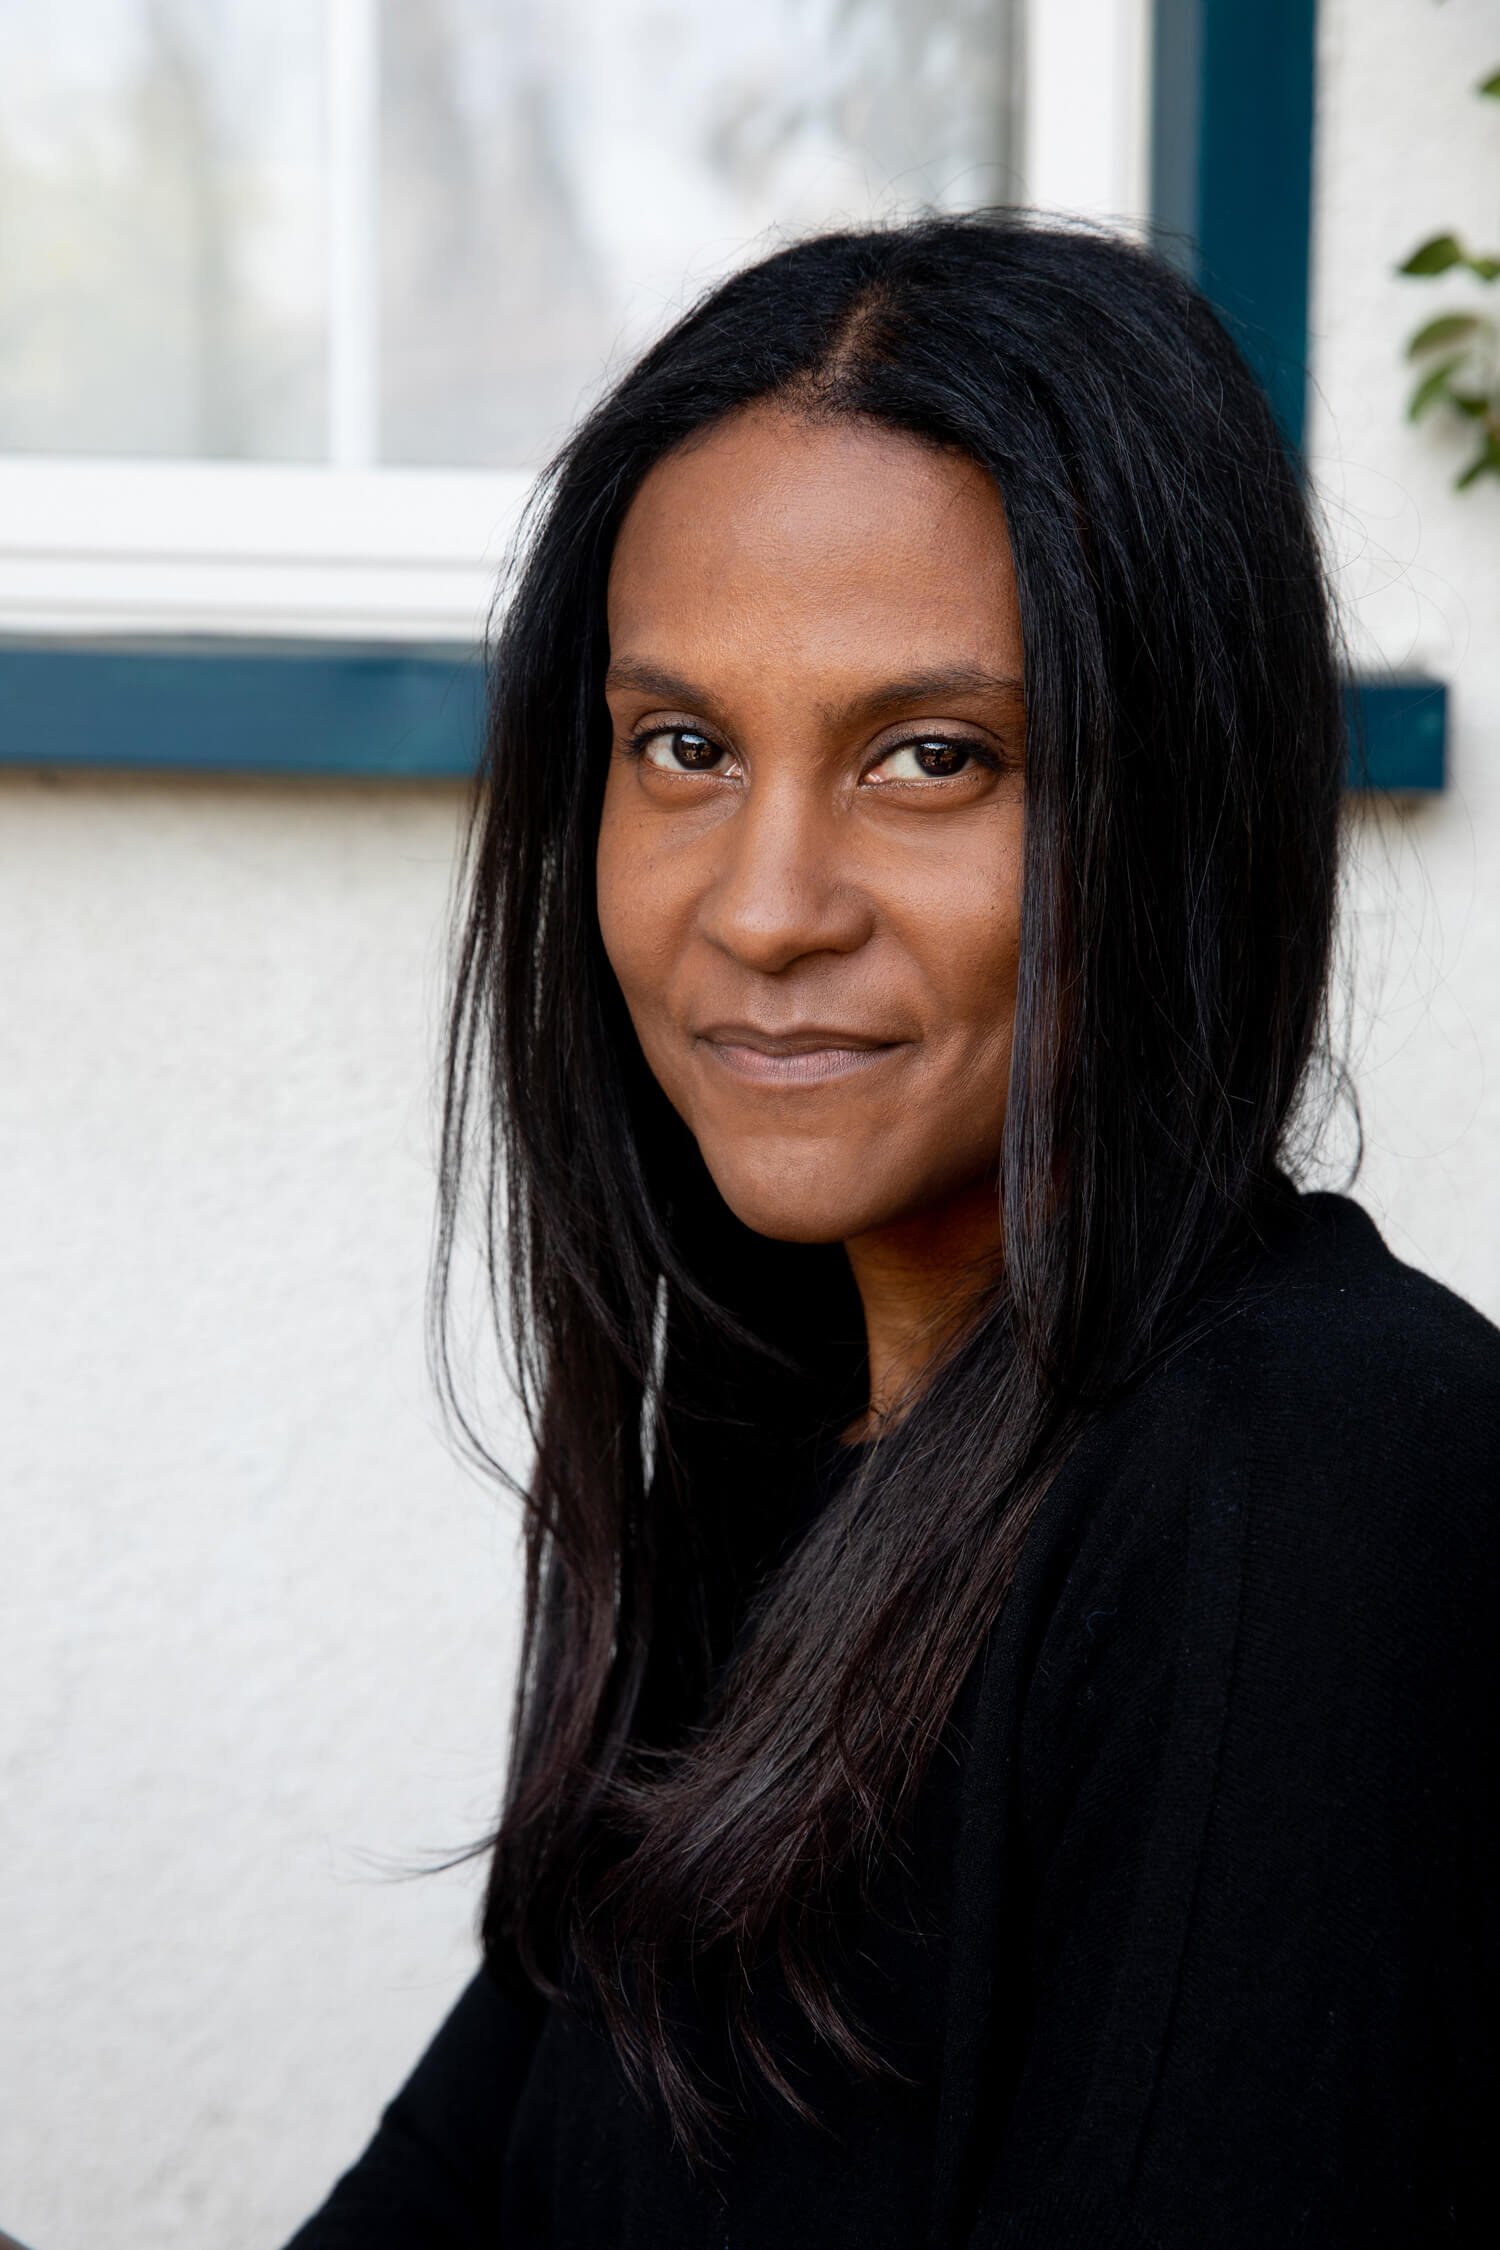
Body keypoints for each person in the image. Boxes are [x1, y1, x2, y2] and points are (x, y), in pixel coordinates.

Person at [284, 212, 1500, 2248]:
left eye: (931, 759)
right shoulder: (777, 1446)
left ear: (1172, 805)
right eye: (683, 747)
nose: (764, 907)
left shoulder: (1311, 1474)